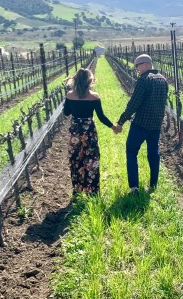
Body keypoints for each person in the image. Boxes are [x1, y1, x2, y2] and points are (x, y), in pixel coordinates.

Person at [116, 54, 168, 193]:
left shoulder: (144, 80)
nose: (136, 70)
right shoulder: (163, 80)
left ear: (146, 64)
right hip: (156, 124)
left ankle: (134, 187)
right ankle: (153, 184)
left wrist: (121, 121)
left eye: (137, 66)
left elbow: (134, 104)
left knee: (131, 152)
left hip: (141, 124)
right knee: (153, 153)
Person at [64, 68, 118, 195]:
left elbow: (66, 113)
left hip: (75, 131)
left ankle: (77, 190)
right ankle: (92, 191)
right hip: (89, 132)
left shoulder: (70, 95)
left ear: (76, 80)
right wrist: (113, 127)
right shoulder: (94, 97)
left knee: (76, 159)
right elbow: (101, 117)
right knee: (91, 159)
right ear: (89, 81)